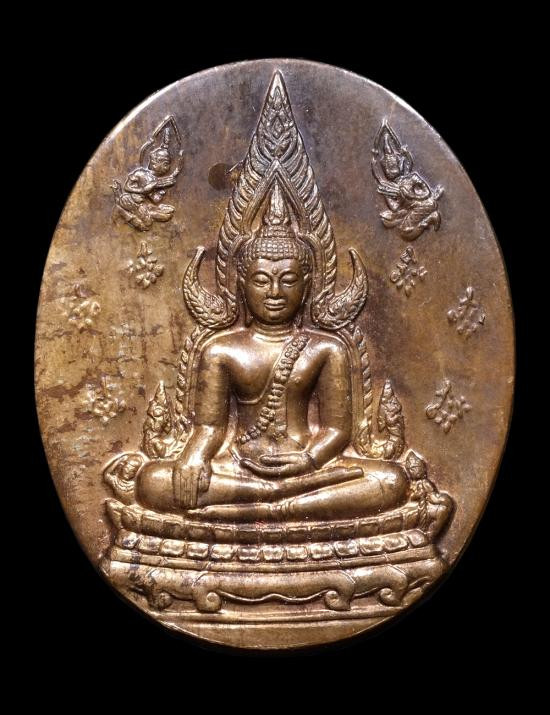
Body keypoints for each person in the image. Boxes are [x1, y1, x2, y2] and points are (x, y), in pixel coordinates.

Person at [135, 184, 410, 521]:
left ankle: (266, 504)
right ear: (242, 285)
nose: (275, 292)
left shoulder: (327, 348)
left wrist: (308, 460)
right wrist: (194, 456)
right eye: (262, 280)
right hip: (240, 466)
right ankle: (276, 500)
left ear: (307, 286)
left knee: (390, 480)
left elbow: (337, 431)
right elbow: (209, 428)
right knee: (152, 481)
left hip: (308, 468)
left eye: (289, 280)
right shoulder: (221, 350)